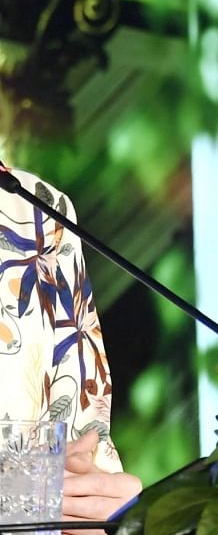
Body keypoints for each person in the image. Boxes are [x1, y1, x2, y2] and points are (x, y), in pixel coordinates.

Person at [0, 166, 142, 531]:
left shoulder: (32, 205)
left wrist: (95, 502)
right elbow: (23, 499)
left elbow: (82, 441)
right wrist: (16, 500)